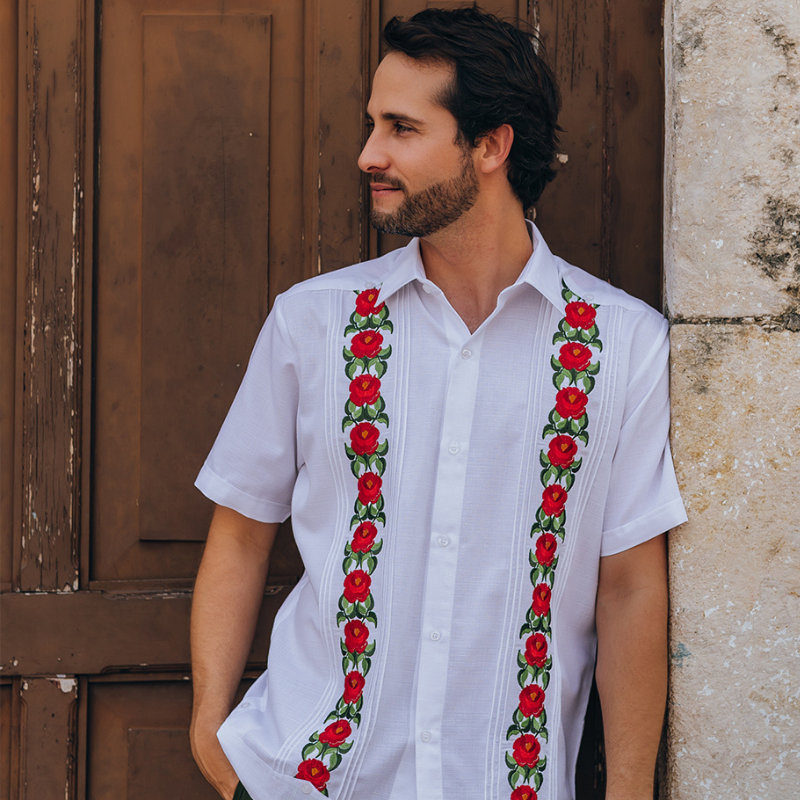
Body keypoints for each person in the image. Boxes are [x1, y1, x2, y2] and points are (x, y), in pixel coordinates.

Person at [189, 7, 687, 800]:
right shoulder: (314, 323)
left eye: (401, 128)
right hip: (307, 777)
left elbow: (629, 586)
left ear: (490, 146)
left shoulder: (622, 345)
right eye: (372, 124)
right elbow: (242, 531)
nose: (368, 153)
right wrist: (210, 733)